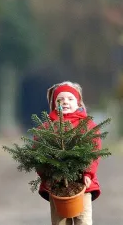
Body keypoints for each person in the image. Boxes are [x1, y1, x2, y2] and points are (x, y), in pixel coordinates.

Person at [38, 81, 102, 225]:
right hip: (57, 185)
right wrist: (47, 176)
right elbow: (39, 155)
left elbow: (94, 152)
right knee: (60, 221)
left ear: (78, 103)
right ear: (55, 104)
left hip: (82, 184)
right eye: (60, 100)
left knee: (83, 220)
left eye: (70, 99)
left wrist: (88, 173)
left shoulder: (87, 125)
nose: (65, 102)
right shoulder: (48, 127)